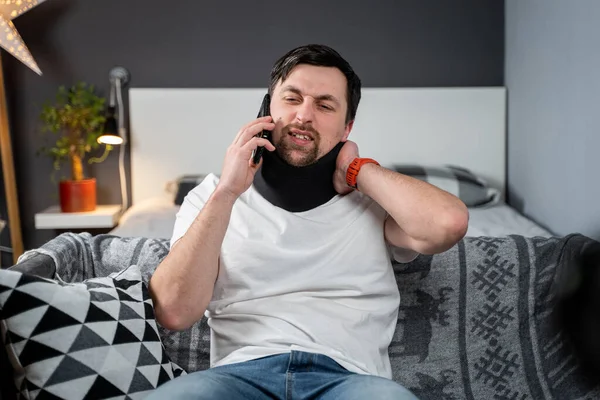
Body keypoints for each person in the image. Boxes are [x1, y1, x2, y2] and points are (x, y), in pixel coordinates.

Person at [147, 44, 469, 400]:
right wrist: (227, 191)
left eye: (325, 105)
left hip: (348, 381)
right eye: (292, 98)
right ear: (267, 108)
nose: (304, 115)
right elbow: (174, 311)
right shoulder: (212, 198)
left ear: (347, 128)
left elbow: (448, 223)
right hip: (237, 379)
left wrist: (358, 170)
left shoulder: (375, 200)